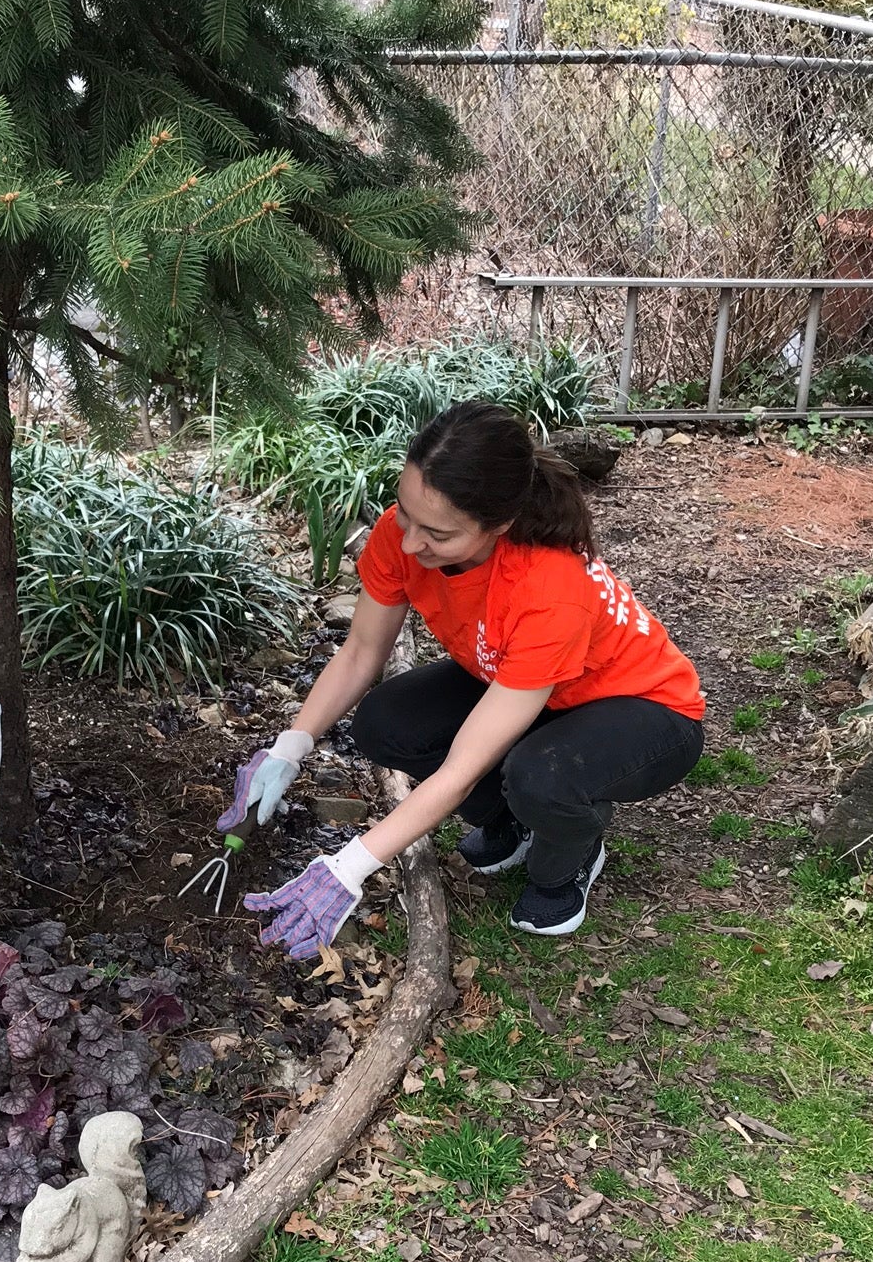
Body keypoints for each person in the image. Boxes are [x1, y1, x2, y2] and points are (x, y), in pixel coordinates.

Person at [222, 399, 705, 959]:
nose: (408, 543)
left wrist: (347, 868)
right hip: (524, 686)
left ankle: (571, 850)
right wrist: (290, 745)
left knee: (541, 776)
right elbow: (360, 652)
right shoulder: (405, 538)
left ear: (500, 525)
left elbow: (461, 767)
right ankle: (513, 819)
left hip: (643, 709)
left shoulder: (548, 588)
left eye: (437, 534)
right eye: (405, 512)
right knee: (385, 724)